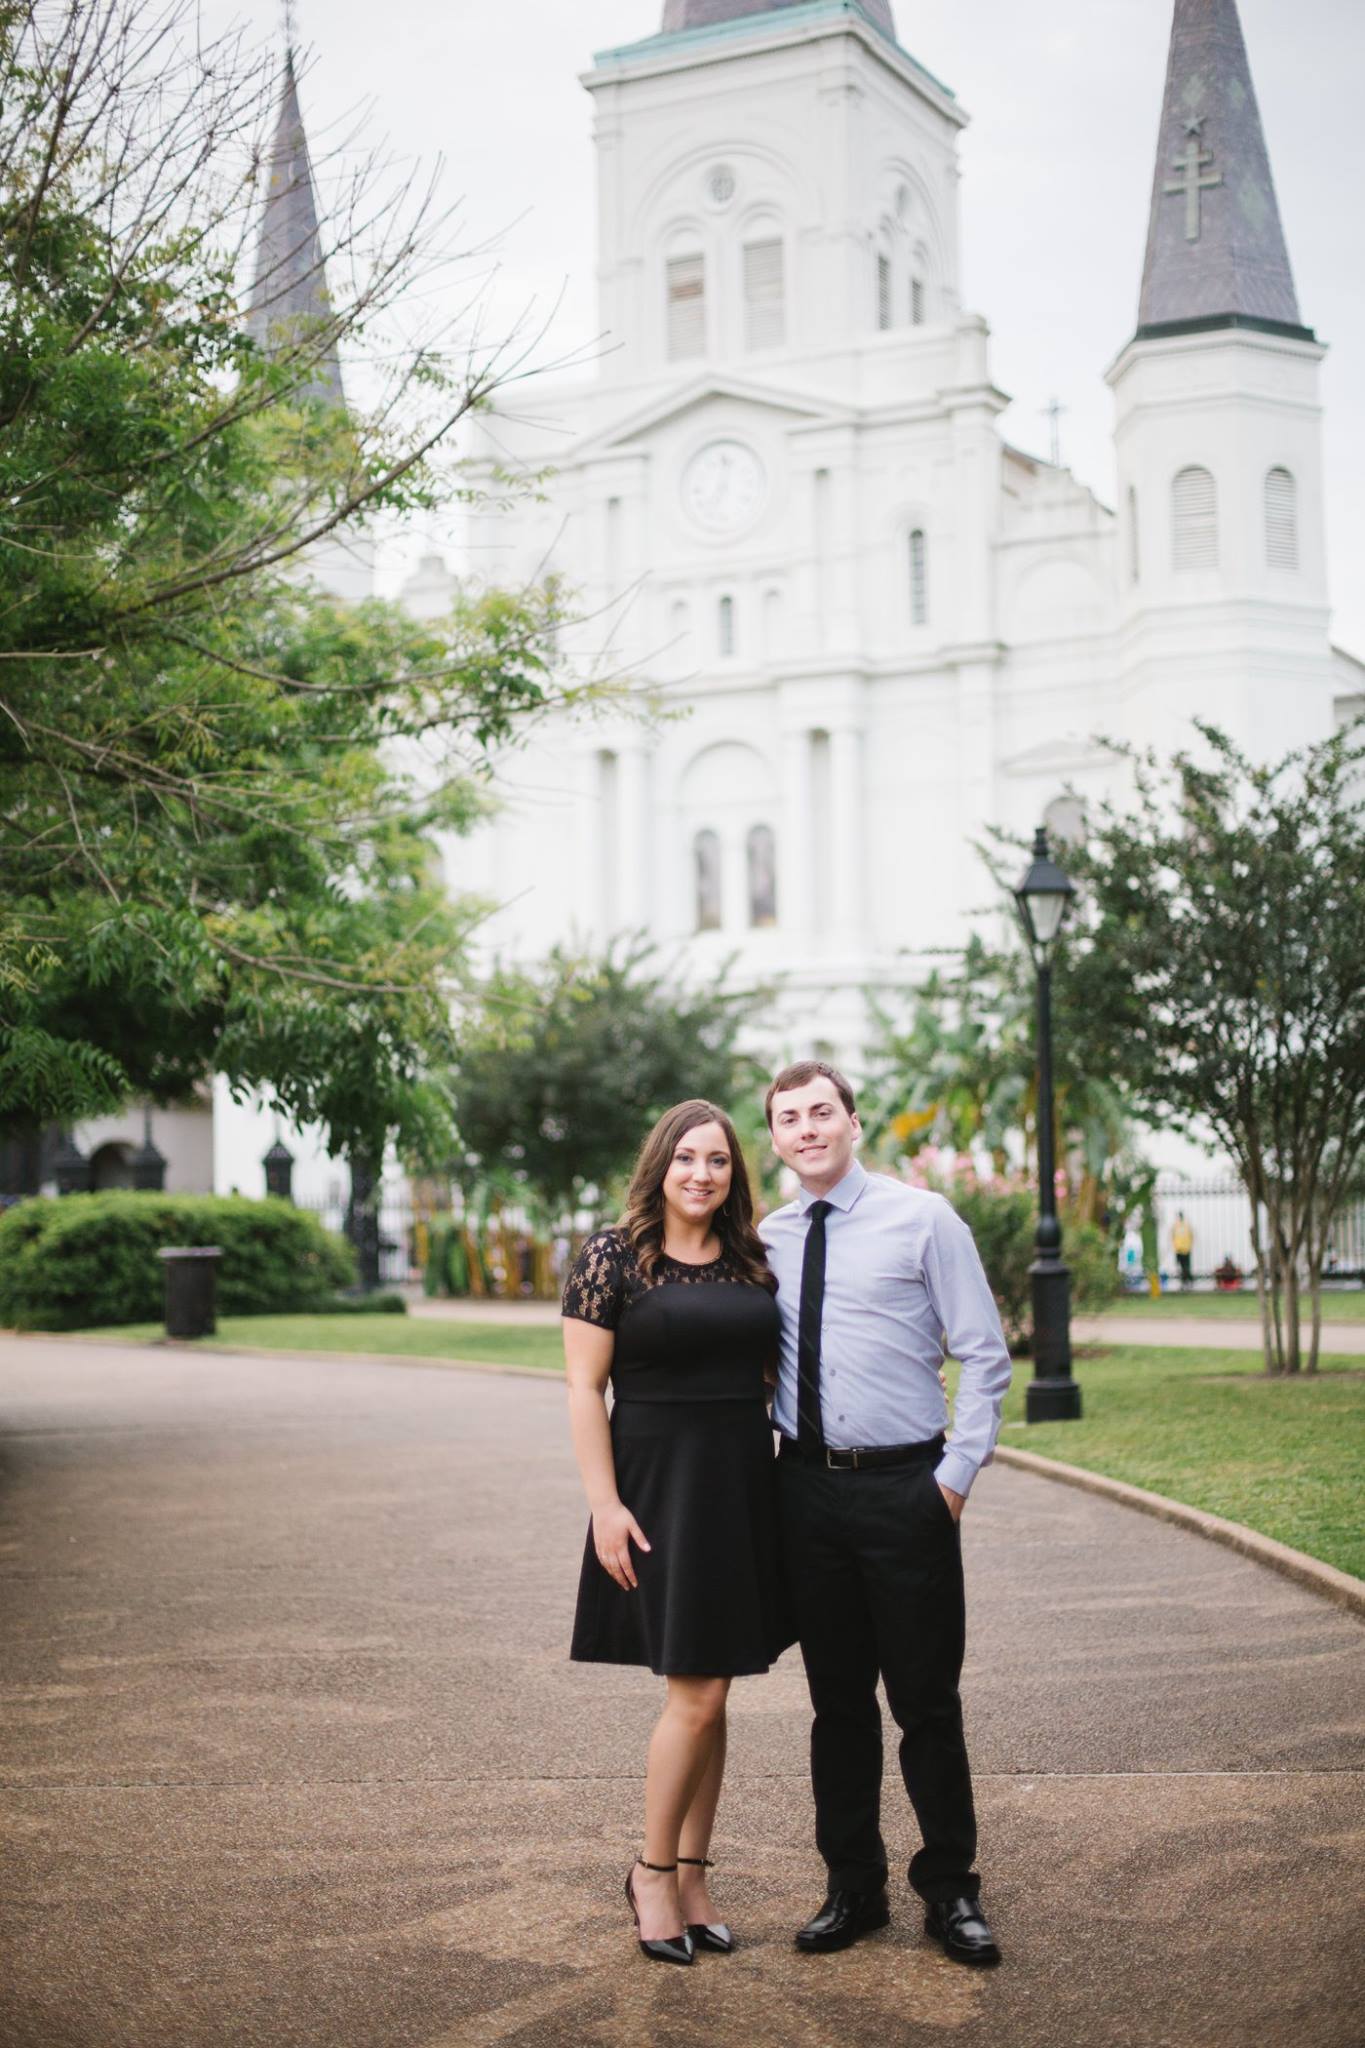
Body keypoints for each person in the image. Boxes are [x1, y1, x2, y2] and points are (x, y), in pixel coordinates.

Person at [758, 1060, 1012, 1967]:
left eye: (820, 1111)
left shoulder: (923, 1218)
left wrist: (953, 1475)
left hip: (907, 1488)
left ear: (853, 1122)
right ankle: (852, 1888)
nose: (807, 1129)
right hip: (807, 1493)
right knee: (836, 1706)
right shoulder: (769, 1238)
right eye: (789, 1119)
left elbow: (983, 1355)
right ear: (778, 1139)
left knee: (926, 1703)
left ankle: (950, 1891)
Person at [562, 1099, 790, 1966]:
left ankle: (693, 1876)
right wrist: (604, 1504)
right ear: (660, 1164)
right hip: (659, 1488)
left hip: (741, 1486)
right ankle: (650, 1873)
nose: (702, 1173)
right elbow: (585, 1389)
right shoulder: (613, 1257)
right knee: (692, 1692)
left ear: (734, 1174)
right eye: (687, 1157)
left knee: (717, 1689)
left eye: (720, 1161)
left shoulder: (750, 1259)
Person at [1171, 1211, 1195, 1290]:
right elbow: (1173, 1237)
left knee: (1186, 1268)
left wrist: (1189, 1246)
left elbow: (1191, 1237)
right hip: (1179, 1250)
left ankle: (1188, 1282)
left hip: (1185, 1250)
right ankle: (1183, 1283)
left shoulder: (1185, 1226)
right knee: (1181, 1268)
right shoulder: (1176, 1226)